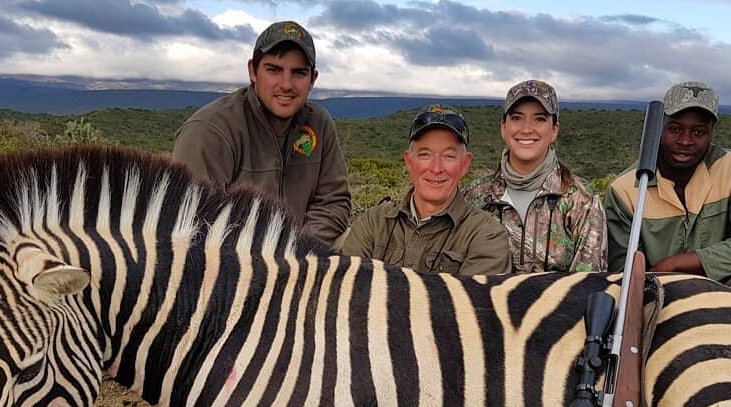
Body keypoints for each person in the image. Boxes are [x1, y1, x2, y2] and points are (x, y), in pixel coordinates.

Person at [171, 20, 350, 247]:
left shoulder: (318, 123)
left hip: (299, 254)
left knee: (353, 243)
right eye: (274, 70)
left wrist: (296, 250)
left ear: (312, 79)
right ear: (253, 71)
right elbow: (191, 221)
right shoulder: (210, 130)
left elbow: (334, 202)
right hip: (230, 261)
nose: (286, 84)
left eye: (298, 73)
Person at [605, 81, 731, 306]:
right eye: (675, 129)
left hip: (720, 281)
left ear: (711, 133)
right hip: (658, 290)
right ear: (659, 127)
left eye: (698, 132)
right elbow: (624, 270)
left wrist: (680, 263)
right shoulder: (625, 189)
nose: (685, 141)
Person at [339, 105, 511, 275]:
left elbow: (474, 301)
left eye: (448, 156)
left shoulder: (487, 236)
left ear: (465, 164)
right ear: (408, 160)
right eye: (425, 154)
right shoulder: (373, 223)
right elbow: (347, 290)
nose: (436, 168)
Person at [463, 80, 606, 272]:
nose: (527, 128)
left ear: (554, 130)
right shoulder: (473, 196)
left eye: (539, 119)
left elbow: (589, 286)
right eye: (516, 118)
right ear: (503, 128)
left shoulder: (583, 200)